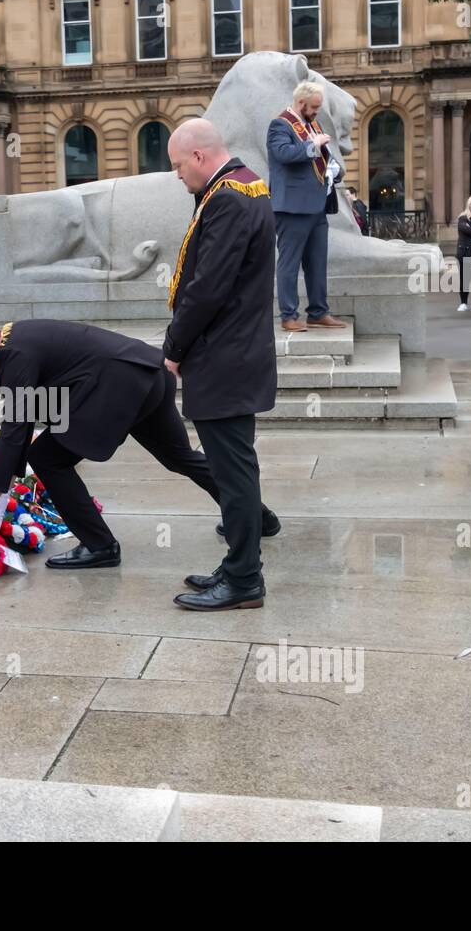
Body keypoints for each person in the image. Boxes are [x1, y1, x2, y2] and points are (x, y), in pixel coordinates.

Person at [0, 321, 280, 575]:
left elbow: (16, 431)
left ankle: (99, 545)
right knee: (179, 457)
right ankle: (254, 516)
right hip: (146, 373)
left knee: (46, 457)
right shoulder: (11, 338)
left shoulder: (9, 357)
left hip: (119, 389)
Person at [161, 118, 278, 610]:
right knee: (236, 469)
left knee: (233, 474)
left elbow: (207, 288)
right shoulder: (248, 185)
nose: (177, 176)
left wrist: (174, 347)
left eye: (178, 166)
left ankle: (245, 581)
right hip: (238, 352)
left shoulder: (227, 197)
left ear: (200, 157)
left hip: (223, 356)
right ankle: (237, 566)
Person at [266, 80, 346, 332]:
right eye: (313, 107)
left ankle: (318, 312)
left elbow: (318, 160)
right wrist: (314, 145)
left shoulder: (312, 125)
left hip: (317, 205)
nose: (316, 112)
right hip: (291, 207)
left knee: (317, 262)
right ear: (300, 103)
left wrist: (333, 168)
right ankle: (289, 315)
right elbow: (284, 154)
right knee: (289, 264)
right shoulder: (279, 124)